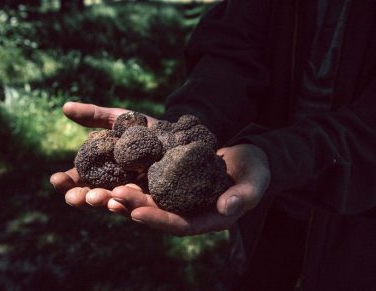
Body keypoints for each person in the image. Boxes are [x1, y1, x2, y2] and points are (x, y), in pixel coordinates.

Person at [51, 0, 376, 289]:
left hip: (358, 222)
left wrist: (277, 156)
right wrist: (185, 125)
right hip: (261, 199)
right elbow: (230, 54)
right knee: (258, 276)